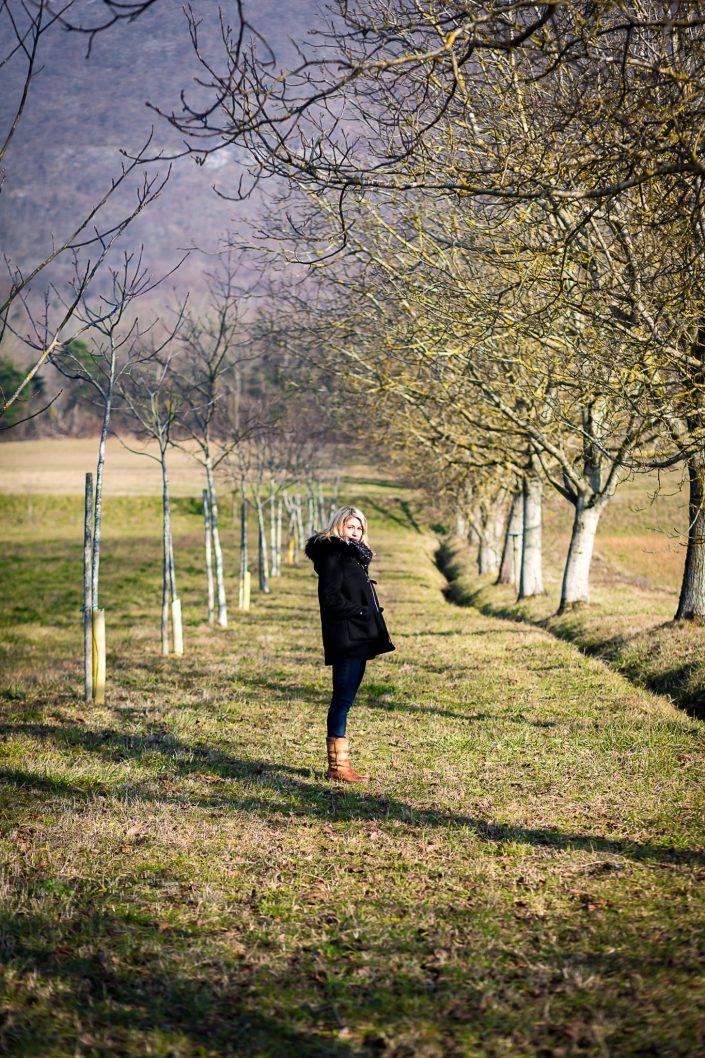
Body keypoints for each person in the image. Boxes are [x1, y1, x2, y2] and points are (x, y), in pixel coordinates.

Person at [305, 505, 395, 782]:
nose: (355, 533)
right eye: (350, 527)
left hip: (358, 635)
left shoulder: (353, 556)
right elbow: (329, 597)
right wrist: (360, 611)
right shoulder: (334, 554)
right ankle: (337, 766)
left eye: (359, 528)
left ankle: (340, 763)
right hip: (346, 637)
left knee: (347, 699)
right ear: (339, 526)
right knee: (341, 700)